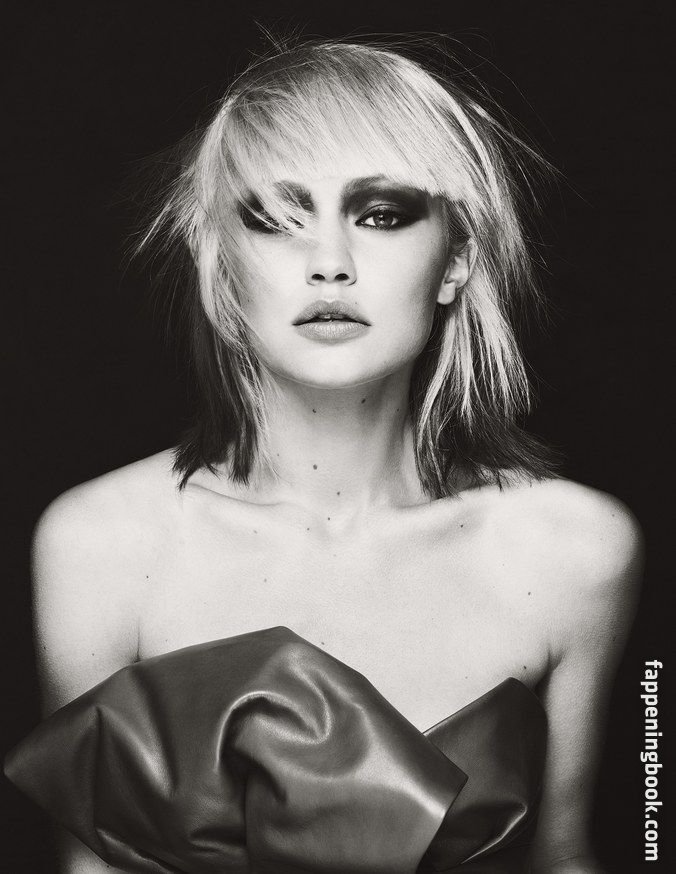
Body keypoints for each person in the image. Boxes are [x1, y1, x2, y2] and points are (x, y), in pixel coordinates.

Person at [5, 38, 642, 873]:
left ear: (455, 262)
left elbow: (570, 857)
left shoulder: (573, 552)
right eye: (277, 218)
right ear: (220, 268)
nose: (330, 265)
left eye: (380, 215)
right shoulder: (102, 546)